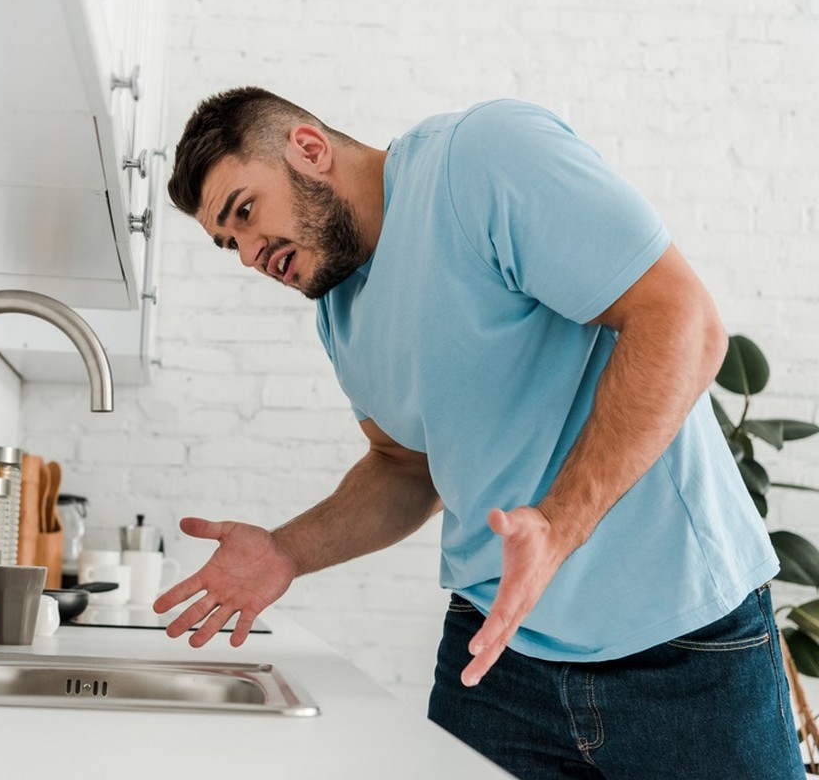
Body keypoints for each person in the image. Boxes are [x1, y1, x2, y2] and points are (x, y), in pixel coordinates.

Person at [153, 86, 804, 779]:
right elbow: (406, 467)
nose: (252, 254)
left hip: (684, 646)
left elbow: (681, 323)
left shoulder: (483, 160)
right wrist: (287, 551)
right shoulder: (339, 317)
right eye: (232, 245)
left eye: (246, 212)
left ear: (309, 150)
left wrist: (557, 524)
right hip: (498, 665)